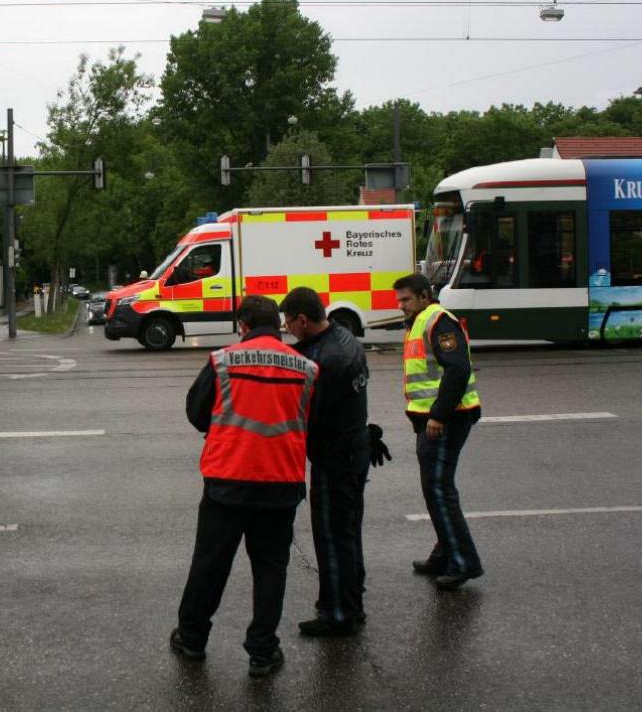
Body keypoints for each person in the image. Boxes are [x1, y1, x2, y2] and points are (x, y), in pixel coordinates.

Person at [171, 295, 318, 678]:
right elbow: (311, 422)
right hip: (280, 482)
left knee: (211, 563)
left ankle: (192, 639)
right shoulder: (307, 368)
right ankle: (262, 652)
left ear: (243, 326)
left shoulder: (223, 360)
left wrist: (221, 431)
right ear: (279, 324)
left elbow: (196, 411)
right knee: (270, 568)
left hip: (228, 480)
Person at [281, 287, 391, 637]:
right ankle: (350, 599)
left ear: (302, 318)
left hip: (336, 457)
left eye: (289, 323)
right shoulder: (343, 336)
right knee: (348, 533)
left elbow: (312, 417)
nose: (287, 329)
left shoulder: (328, 361)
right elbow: (303, 352)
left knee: (331, 536)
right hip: (355, 448)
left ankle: (339, 613)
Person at [393, 274, 484, 591]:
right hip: (435, 418)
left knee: (439, 489)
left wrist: (439, 415)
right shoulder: (422, 321)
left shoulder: (438, 321)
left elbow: (457, 369)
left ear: (423, 296)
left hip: (447, 419)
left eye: (405, 299)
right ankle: (445, 553)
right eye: (399, 300)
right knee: (436, 489)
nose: (400, 305)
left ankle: (463, 562)